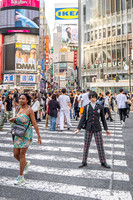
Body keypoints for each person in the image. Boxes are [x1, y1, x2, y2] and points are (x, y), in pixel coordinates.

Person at [9, 93, 42, 185]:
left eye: (23, 99)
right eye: (20, 98)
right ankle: (25, 164)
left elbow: (34, 124)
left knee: (22, 154)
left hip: (26, 135)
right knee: (15, 154)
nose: (21, 100)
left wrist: (39, 136)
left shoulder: (29, 110)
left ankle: (21, 176)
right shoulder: (18, 108)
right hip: (18, 133)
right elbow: (17, 120)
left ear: (27, 100)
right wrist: (13, 120)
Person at [74, 91, 111, 169]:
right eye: (91, 97)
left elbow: (103, 119)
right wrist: (78, 128)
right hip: (88, 128)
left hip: (97, 128)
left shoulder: (100, 107)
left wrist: (106, 129)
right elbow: (83, 118)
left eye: (94, 97)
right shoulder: (86, 107)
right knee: (86, 145)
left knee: (100, 145)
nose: (92, 99)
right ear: (89, 98)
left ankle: (103, 162)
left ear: (96, 97)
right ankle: (84, 162)